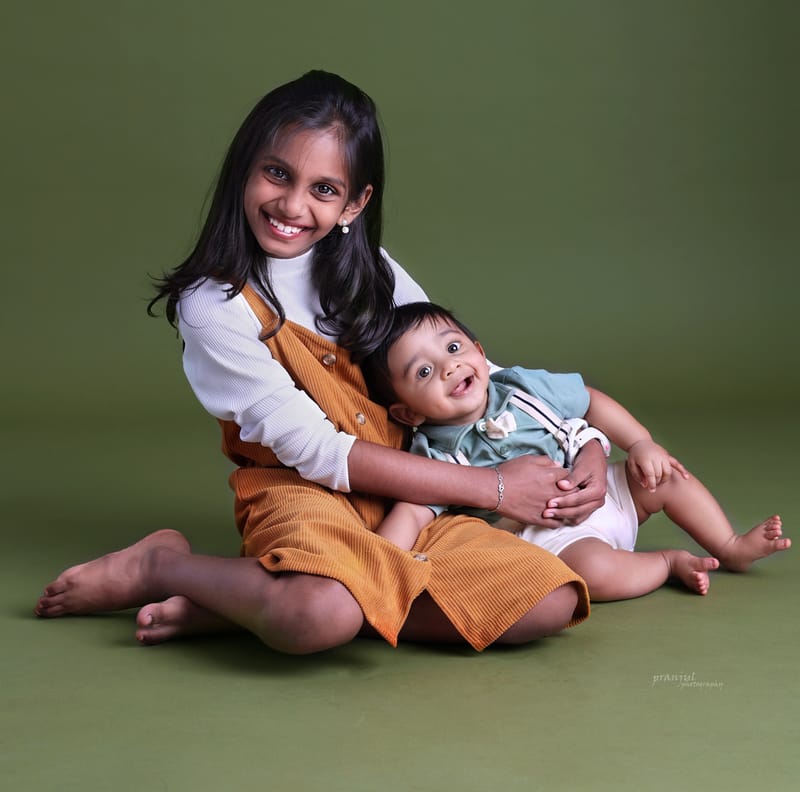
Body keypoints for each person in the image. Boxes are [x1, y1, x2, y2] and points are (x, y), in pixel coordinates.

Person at [35, 70, 610, 653]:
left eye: (324, 189)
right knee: (318, 615)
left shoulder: (370, 269)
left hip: (412, 500)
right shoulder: (213, 304)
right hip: (304, 494)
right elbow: (317, 452)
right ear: (244, 168)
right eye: (276, 174)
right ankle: (162, 567)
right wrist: (492, 487)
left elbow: (467, 369)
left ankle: (239, 605)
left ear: (354, 204)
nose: (292, 205)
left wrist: (587, 444)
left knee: (548, 599)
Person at [361, 301, 790, 600]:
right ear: (408, 412)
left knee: (666, 477)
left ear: (480, 352)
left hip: (606, 490)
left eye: (454, 348)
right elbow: (413, 511)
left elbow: (589, 401)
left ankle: (730, 545)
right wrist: (381, 561)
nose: (449, 366)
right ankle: (666, 563)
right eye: (423, 371)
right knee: (593, 573)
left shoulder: (522, 388)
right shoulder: (435, 454)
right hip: (552, 536)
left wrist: (640, 443)